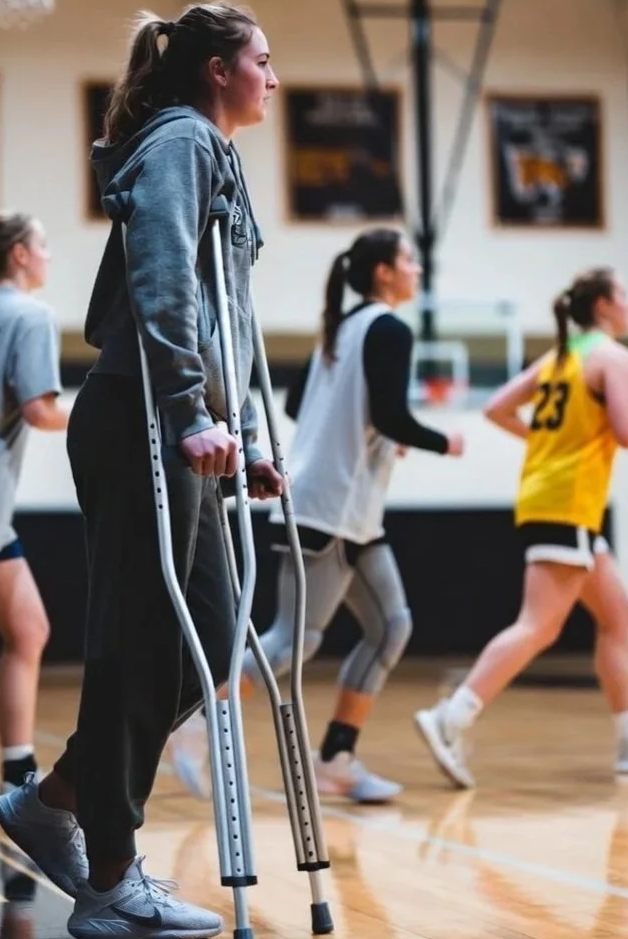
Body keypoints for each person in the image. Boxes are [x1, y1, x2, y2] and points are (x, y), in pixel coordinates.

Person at [0, 6, 281, 938]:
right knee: (140, 633)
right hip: (142, 416)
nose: (272, 79)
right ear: (213, 69)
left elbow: (220, 308)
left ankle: (60, 796)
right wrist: (191, 410)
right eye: (261, 62)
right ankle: (111, 875)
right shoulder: (179, 141)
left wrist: (239, 427)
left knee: (209, 625)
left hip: (178, 418)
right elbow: (162, 276)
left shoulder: (209, 149)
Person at [171, 227, 465, 804]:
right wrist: (441, 441)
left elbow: (301, 402)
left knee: (390, 627)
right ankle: (199, 722)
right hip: (325, 505)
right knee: (296, 639)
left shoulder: (342, 328)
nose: (417, 270)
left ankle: (335, 757)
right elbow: (392, 414)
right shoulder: (387, 327)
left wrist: (370, 429)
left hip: (352, 511)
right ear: (384, 271)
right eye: (410, 260)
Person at [415, 267, 628, 789]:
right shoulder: (611, 357)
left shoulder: (560, 357)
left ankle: (626, 743)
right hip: (569, 502)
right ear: (603, 305)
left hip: (549, 497)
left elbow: (495, 408)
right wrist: (569, 445)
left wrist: (550, 440)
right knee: (540, 625)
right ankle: (453, 715)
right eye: (623, 292)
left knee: (620, 619)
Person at [0, 212, 68, 797]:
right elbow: (39, 410)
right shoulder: (31, 316)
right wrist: (114, 417)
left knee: (28, 631)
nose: (49, 255)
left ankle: (18, 771)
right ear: (20, 256)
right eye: (44, 244)